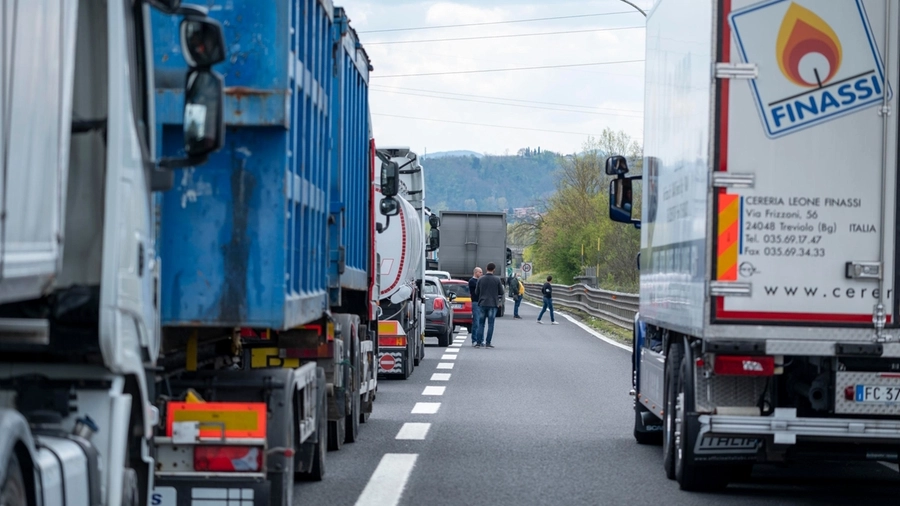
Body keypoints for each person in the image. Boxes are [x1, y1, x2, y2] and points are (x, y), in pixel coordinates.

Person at [473, 262, 504, 348]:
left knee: (481, 323)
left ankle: (478, 342)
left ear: (486, 268)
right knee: (491, 324)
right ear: (494, 269)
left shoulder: (480, 279)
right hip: (493, 304)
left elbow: (476, 292)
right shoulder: (497, 280)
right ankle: (488, 343)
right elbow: (501, 292)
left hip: (482, 303)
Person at [468, 267, 483, 346]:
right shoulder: (472, 281)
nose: (481, 274)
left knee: (481, 322)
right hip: (475, 302)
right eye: (480, 272)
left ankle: (481, 340)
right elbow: (479, 288)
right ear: (476, 272)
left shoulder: (480, 281)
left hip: (482, 303)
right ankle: (474, 340)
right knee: (476, 322)